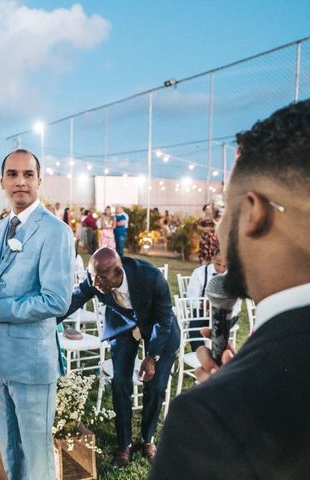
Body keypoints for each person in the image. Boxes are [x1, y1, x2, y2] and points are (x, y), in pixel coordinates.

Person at [150, 100, 310, 480]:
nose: (218, 229)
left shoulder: (208, 426)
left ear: (254, 214)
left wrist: (227, 399)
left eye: (223, 210)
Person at [0, 149, 75, 480]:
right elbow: (3, 285)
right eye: (12, 174)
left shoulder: (56, 231)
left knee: (37, 458)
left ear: (40, 180)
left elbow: (56, 301)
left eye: (28, 174)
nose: (20, 182)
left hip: (31, 363)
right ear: (2, 182)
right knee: (11, 454)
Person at [60, 247, 179, 467]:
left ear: (117, 273)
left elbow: (164, 319)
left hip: (157, 326)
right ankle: (124, 445)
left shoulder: (150, 276)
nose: (95, 284)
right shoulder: (95, 277)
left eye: (100, 279)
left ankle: (147, 439)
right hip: (123, 325)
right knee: (120, 382)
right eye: (93, 277)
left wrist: (152, 356)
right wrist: (47, 320)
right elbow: (74, 299)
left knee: (156, 386)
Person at [185, 249, 242, 350]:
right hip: (202, 313)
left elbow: (237, 305)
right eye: (218, 264)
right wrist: (203, 305)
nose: (221, 269)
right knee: (195, 327)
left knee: (219, 327)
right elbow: (190, 299)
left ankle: (218, 357)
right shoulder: (199, 273)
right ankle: (199, 354)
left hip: (227, 314)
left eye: (225, 266)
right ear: (212, 259)